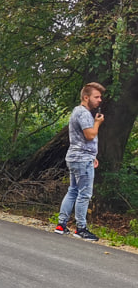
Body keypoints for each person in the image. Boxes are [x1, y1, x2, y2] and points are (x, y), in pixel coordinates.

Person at [55, 82, 105, 240]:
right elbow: (89, 135)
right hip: (82, 159)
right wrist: (97, 123)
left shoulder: (77, 112)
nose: (100, 100)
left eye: (100, 97)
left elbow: (81, 140)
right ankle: (81, 228)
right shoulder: (83, 113)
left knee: (73, 191)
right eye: (96, 97)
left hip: (77, 157)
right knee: (84, 194)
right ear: (86, 97)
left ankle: (61, 225)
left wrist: (93, 156)